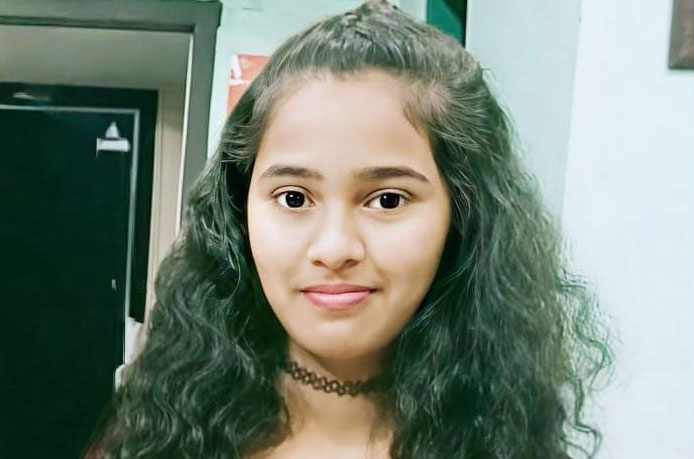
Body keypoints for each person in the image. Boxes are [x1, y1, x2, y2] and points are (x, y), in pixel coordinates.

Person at [87, 1, 612, 458]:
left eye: (387, 200)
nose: (335, 248)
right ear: (237, 212)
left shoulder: (510, 442)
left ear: (463, 215)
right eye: (294, 198)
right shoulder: (158, 434)